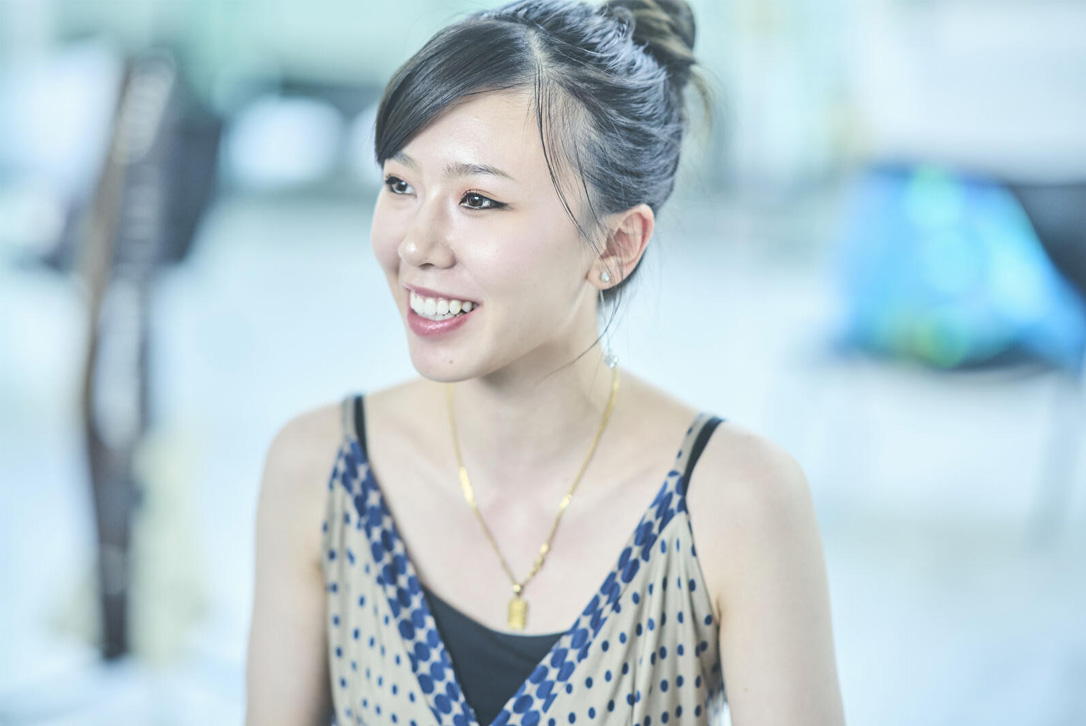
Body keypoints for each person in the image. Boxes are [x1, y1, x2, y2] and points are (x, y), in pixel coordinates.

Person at [245, 0, 845, 724]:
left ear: (615, 245)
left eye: (478, 199)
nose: (415, 244)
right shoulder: (319, 470)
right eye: (401, 184)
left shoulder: (735, 504)